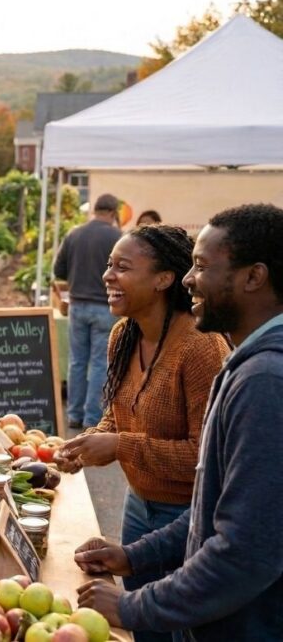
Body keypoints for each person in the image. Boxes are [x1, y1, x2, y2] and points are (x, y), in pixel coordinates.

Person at [74, 204, 283, 641]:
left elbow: (244, 551)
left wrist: (134, 605)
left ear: (253, 277)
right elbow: (214, 509)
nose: (190, 278)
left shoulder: (263, 379)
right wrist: (135, 555)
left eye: (202, 266)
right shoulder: (249, 365)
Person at [55, 225, 229, 642]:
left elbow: (206, 458)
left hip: (186, 521)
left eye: (122, 267)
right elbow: (119, 417)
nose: (108, 276)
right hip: (138, 511)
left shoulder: (201, 347)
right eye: (109, 266)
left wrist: (119, 446)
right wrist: (89, 443)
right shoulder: (123, 335)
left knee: (183, 631)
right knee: (140, 629)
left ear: (164, 279)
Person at [54, 193, 123, 430]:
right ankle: (92, 418)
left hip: (77, 305)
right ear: (114, 213)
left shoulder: (74, 233)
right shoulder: (117, 237)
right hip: (105, 306)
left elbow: (58, 270)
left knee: (77, 362)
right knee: (98, 364)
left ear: (94, 209)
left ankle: (73, 414)